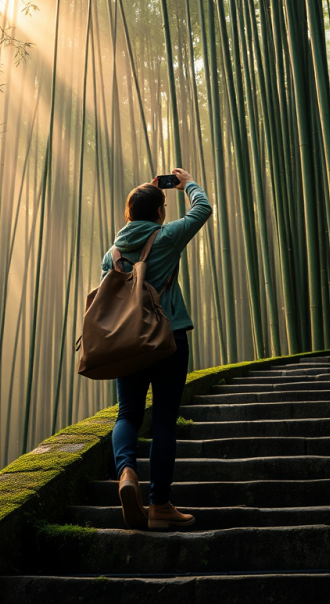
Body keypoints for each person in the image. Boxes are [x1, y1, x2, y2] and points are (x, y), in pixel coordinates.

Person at [102, 168, 212, 531]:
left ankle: (127, 472)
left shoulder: (112, 253)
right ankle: (160, 505)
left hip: (126, 343)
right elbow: (202, 209)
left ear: (127, 214)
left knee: (128, 415)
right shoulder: (166, 236)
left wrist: (146, 197)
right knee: (164, 418)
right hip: (168, 339)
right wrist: (186, 184)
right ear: (160, 213)